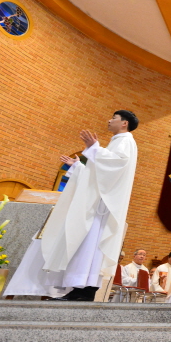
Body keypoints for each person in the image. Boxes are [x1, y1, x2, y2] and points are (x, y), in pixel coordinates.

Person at [36, 110, 139, 301]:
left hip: (100, 209)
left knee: (90, 246)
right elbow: (100, 173)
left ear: (124, 123)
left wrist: (94, 149)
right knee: (86, 246)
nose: (109, 120)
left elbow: (117, 165)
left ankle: (83, 290)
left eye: (114, 118)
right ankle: (81, 288)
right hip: (98, 204)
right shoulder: (118, 141)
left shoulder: (125, 141)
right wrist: (78, 166)